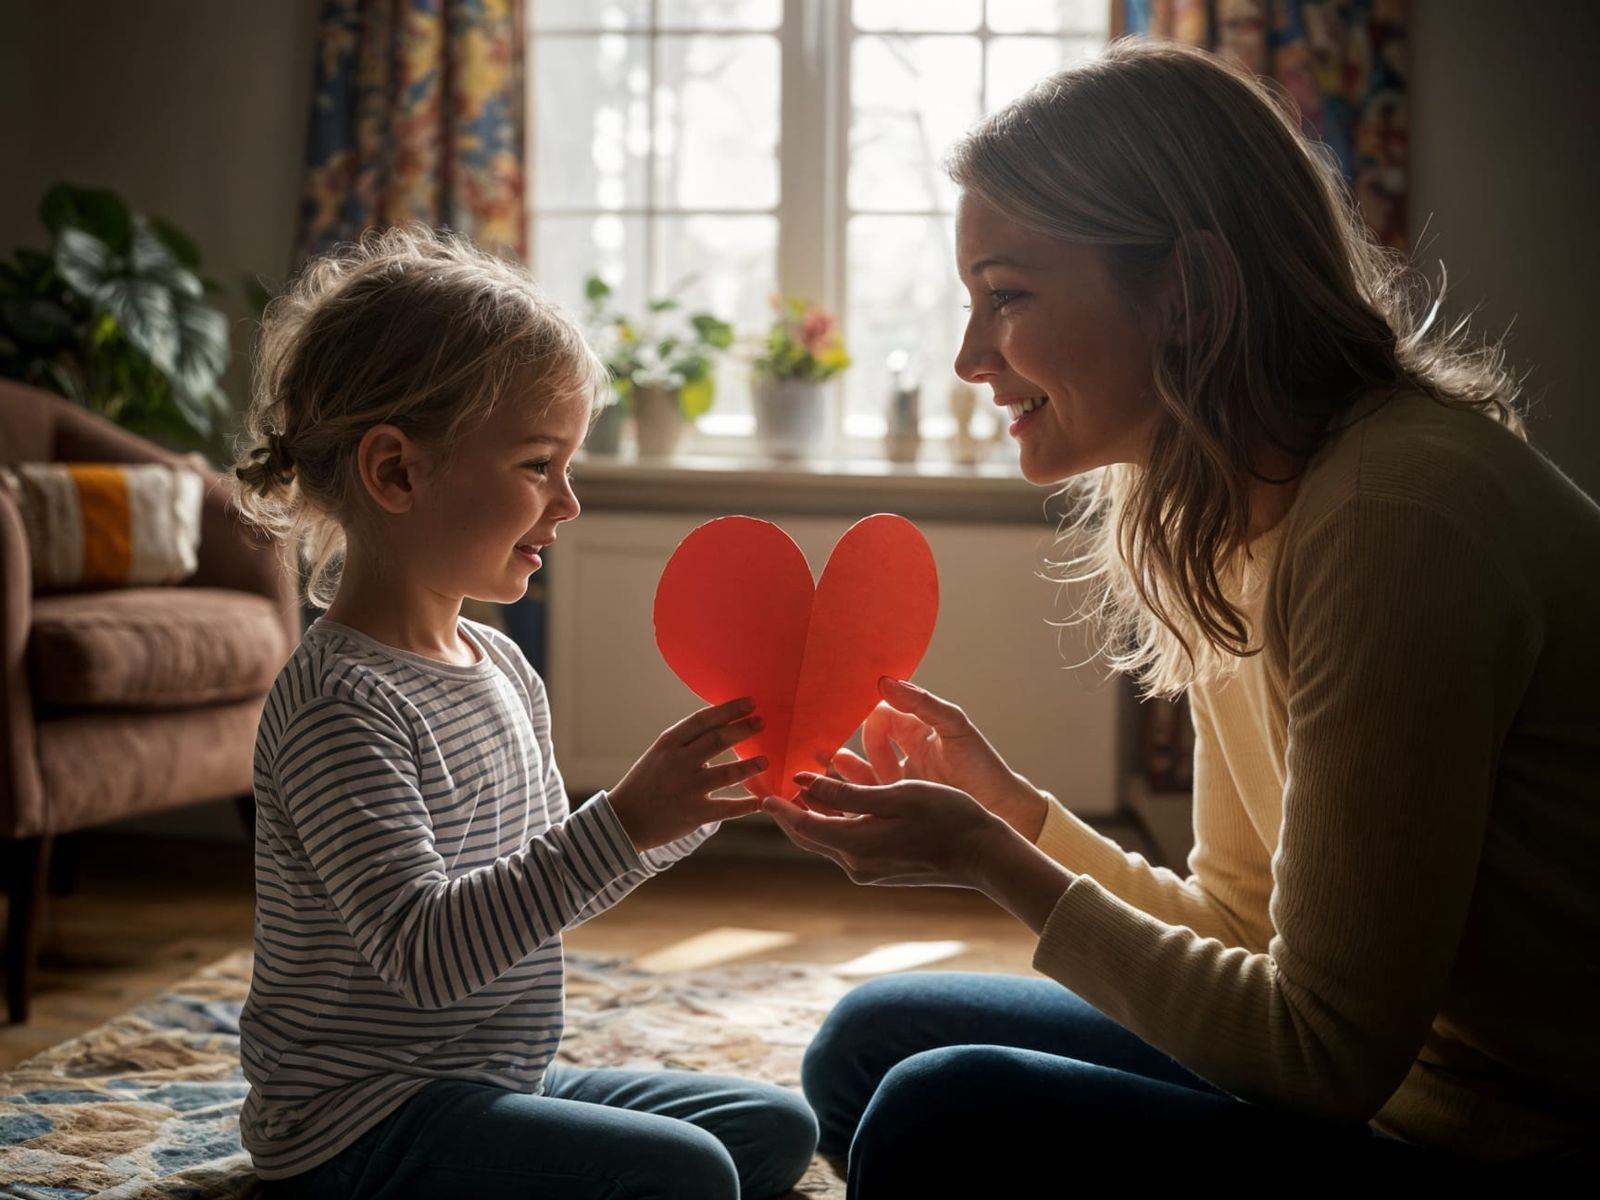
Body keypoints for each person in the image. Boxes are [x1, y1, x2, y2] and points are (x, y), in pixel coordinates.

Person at [764, 39, 1600, 1191]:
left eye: (1006, 296)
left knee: (933, 1118)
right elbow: (1241, 929)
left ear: (1190, 293)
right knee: (869, 1041)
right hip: (1382, 1088)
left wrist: (991, 863)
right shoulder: (1234, 505)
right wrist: (1011, 817)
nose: (968, 358)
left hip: (1508, 1138)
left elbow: (1322, 1054)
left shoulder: (1392, 521)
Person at [231, 226, 817, 1199]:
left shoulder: (498, 663)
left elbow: (539, 886)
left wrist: (680, 814)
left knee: (770, 1128)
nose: (569, 504)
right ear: (397, 472)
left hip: (493, 1075)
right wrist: (624, 820)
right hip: (358, 1120)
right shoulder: (340, 702)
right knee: (690, 1176)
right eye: (538, 465)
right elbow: (425, 953)